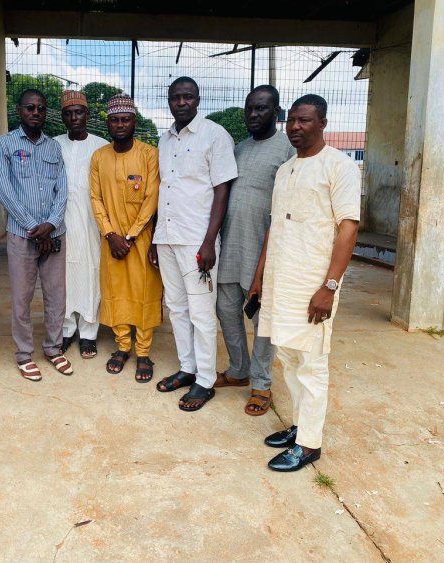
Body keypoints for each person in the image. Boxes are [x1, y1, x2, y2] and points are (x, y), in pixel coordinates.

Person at [251, 94, 360, 471]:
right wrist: (260, 276)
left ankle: (309, 444)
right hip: (281, 282)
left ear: (322, 123)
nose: (295, 127)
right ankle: (299, 426)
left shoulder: (339, 166)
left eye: (305, 120)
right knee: (288, 356)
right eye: (292, 120)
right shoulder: (286, 169)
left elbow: (348, 228)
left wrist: (329, 287)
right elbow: (274, 227)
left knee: (312, 363)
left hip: (314, 284)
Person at [151, 77, 238, 411]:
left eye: (188, 97)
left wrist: (209, 242)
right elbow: (166, 191)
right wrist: (157, 235)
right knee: (176, 307)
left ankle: (206, 380)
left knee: (202, 312)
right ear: (169, 101)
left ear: (198, 99)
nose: (182, 102)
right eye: (176, 97)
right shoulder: (165, 139)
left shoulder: (215, 135)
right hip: (167, 238)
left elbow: (221, 190)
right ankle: (187, 368)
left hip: (196, 241)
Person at [216, 85, 295, 416]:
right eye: (250, 108)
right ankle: (238, 370)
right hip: (232, 246)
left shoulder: (289, 150)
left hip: (265, 254)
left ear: (276, 112)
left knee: (264, 322)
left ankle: (261, 384)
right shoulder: (239, 148)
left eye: (261, 109)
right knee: (225, 309)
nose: (253, 114)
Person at [0, 89, 71, 381]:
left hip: (54, 235)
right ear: (19, 110)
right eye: (30, 108)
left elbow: (63, 190)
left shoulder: (54, 148)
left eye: (40, 108)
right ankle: (24, 354)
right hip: (21, 235)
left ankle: (54, 348)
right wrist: (33, 227)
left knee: (56, 296)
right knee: (22, 298)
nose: (35, 112)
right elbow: (4, 190)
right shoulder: (5, 145)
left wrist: (50, 224)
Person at [90, 94, 162, 382]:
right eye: (115, 120)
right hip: (111, 240)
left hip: (140, 238)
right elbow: (95, 198)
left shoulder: (149, 154)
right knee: (116, 291)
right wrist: (110, 233)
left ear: (134, 121)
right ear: (108, 123)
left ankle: (143, 352)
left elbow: (151, 197)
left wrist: (130, 235)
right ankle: (122, 347)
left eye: (125, 119)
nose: (120, 124)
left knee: (144, 292)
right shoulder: (99, 156)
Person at [53, 90, 109, 359]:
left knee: (90, 276)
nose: (74, 117)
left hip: (90, 224)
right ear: (62, 116)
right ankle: (65, 330)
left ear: (87, 114)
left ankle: (88, 334)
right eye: (68, 113)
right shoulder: (54, 144)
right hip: (59, 222)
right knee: (61, 277)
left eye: (79, 112)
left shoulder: (101, 146)